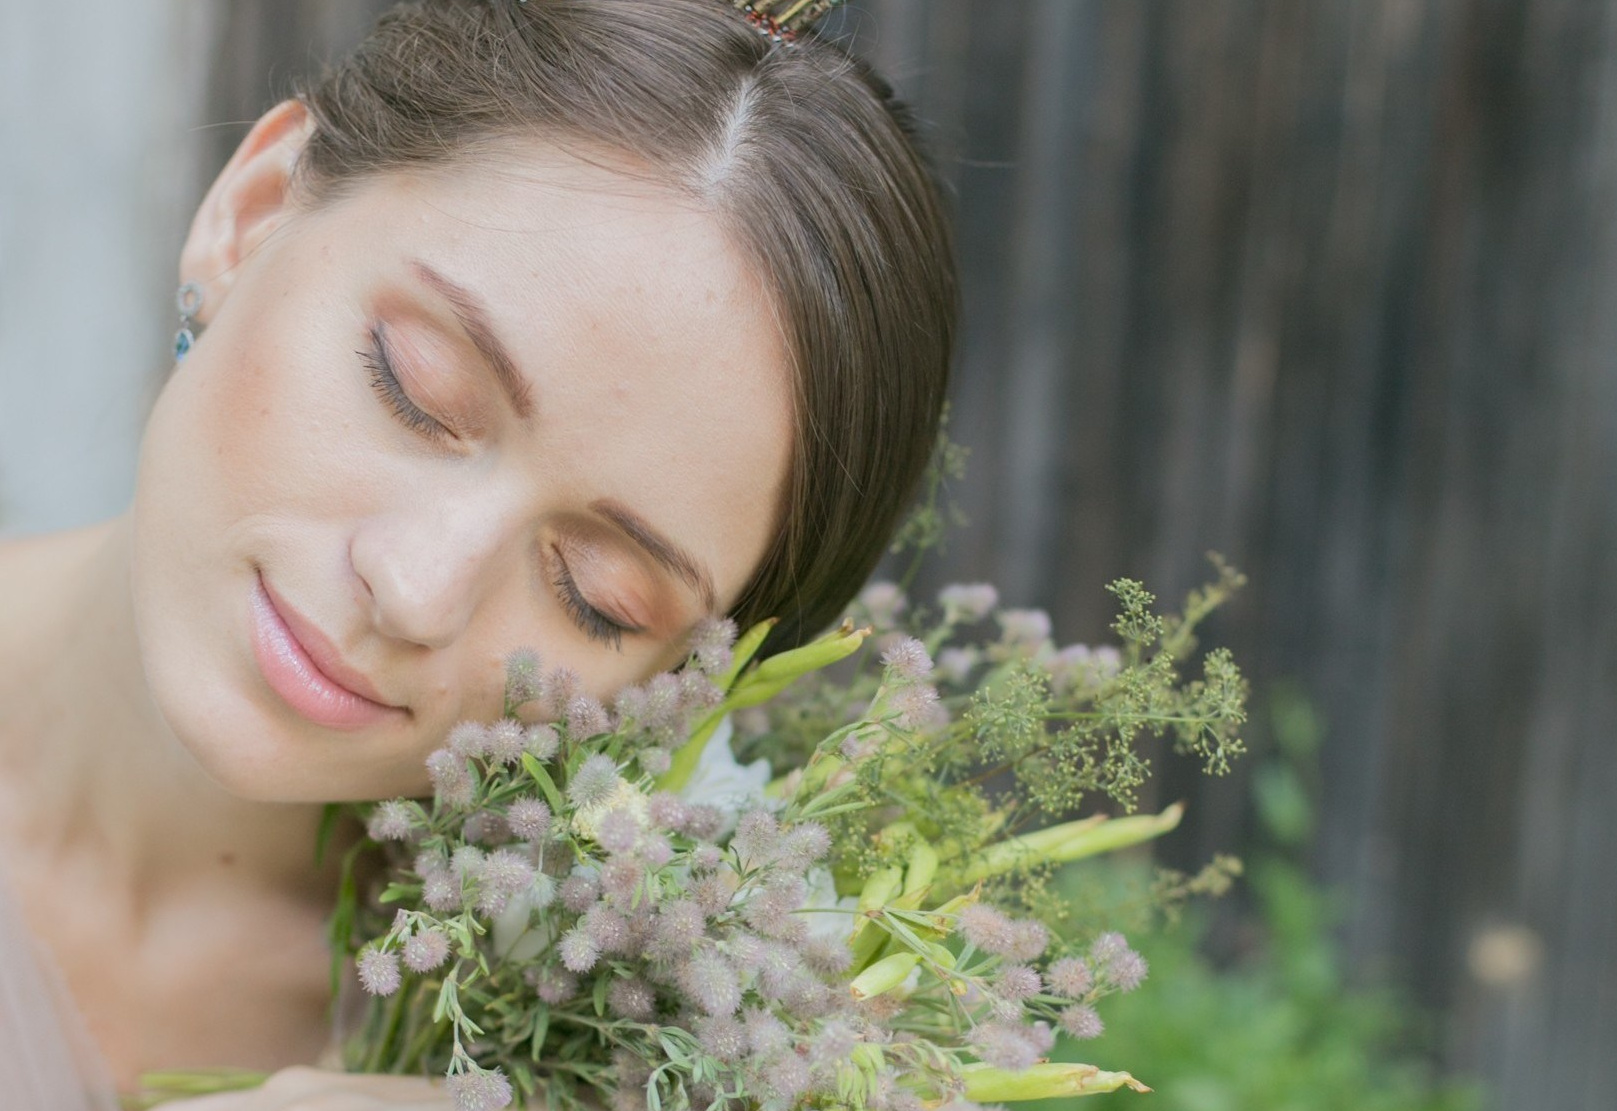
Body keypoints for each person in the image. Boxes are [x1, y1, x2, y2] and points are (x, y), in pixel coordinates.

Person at [0, 0, 957, 1107]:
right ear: (251, 214)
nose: (414, 589)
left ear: (683, 690)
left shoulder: (631, 1035)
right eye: (412, 389)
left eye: (594, 596)